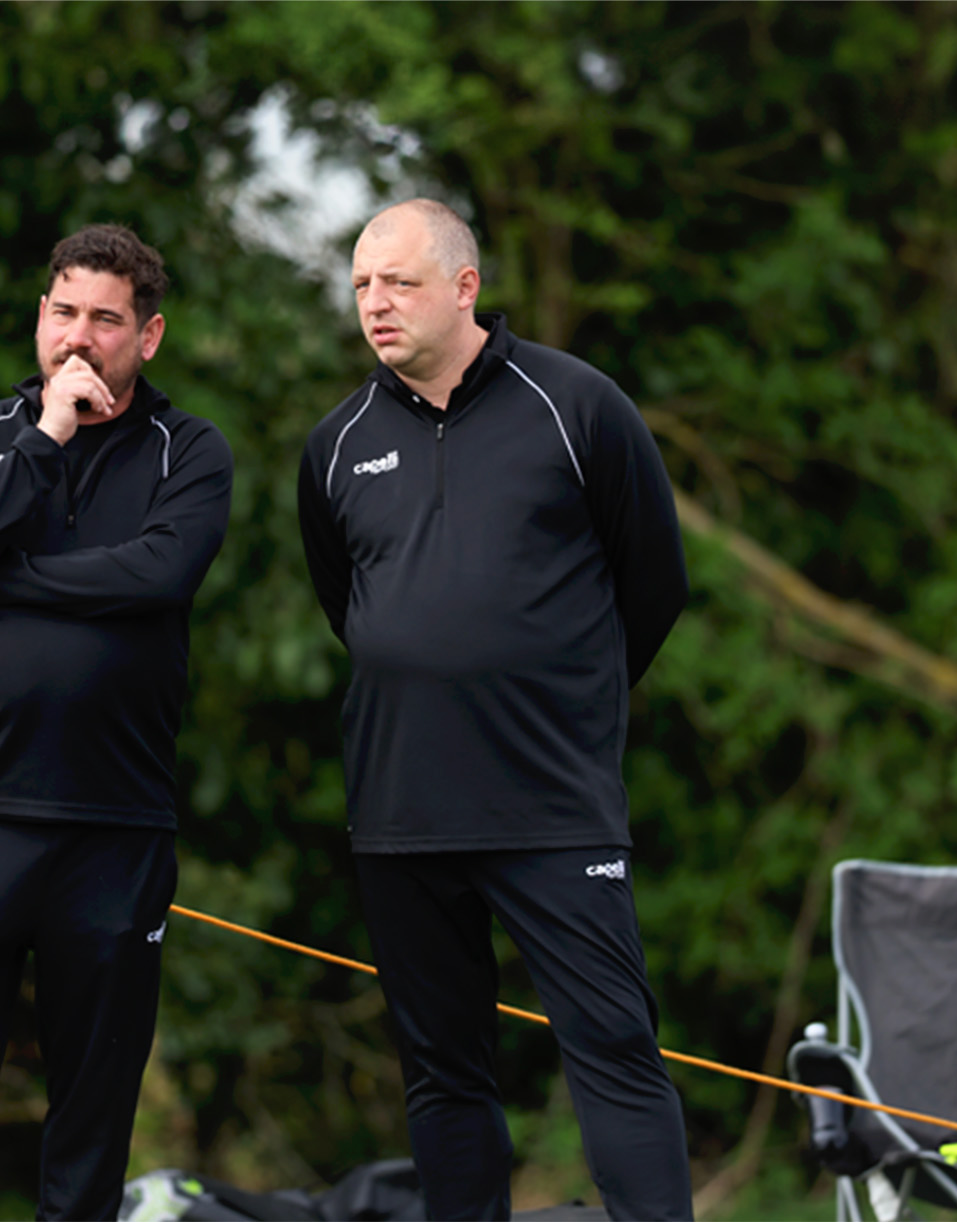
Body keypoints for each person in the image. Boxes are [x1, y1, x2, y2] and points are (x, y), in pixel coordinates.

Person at [294, 199, 695, 1220]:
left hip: (552, 804)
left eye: (399, 283)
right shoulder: (336, 444)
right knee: (442, 1074)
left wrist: (556, 701)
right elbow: (352, 605)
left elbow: (652, 584)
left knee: (612, 1050)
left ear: (466, 286)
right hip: (401, 812)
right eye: (361, 287)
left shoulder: (576, 405)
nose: (375, 305)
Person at [0, 224, 235, 1220]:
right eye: (65, 313)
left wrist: (5, 581)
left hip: (115, 831)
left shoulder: (189, 450)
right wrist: (47, 438)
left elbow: (159, 575)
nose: (82, 338)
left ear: (148, 336)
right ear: (42, 317)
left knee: (91, 1120)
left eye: (107, 320)